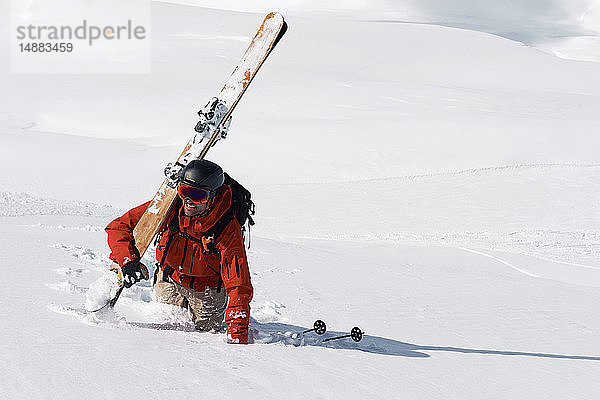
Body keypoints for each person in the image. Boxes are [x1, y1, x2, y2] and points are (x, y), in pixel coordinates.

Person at [105, 159, 253, 344]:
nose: (189, 201)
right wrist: (127, 261)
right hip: (170, 279)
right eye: (185, 191)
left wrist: (237, 334)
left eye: (198, 195)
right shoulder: (169, 207)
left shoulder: (226, 226)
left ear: (213, 197)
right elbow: (118, 227)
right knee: (166, 336)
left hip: (207, 290)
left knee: (205, 337)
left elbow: (238, 283)